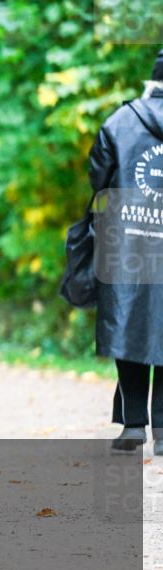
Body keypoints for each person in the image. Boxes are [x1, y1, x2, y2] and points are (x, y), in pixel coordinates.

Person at [92, 49, 163, 456]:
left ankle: (134, 424)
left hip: (127, 239)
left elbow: (98, 178)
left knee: (130, 323)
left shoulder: (121, 120)